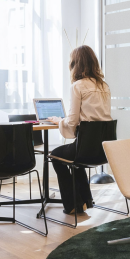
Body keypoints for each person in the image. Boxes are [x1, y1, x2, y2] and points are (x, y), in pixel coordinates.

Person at [46, 45, 112, 214]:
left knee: (56, 156)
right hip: (104, 150)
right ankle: (86, 201)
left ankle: (73, 204)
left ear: (75, 64)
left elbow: (72, 120)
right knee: (76, 158)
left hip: (86, 148)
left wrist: (59, 121)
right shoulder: (104, 86)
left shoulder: (78, 86)